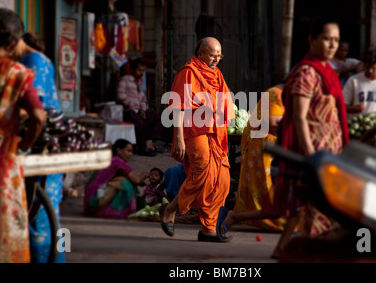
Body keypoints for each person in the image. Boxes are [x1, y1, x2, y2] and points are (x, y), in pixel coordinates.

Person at [218, 18, 350, 258]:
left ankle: (280, 246)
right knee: (299, 205)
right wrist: (311, 155)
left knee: (293, 207)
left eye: (336, 40)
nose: (332, 45)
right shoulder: (306, 73)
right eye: (326, 39)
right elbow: (297, 118)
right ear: (311, 40)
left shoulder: (327, 73)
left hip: (327, 152)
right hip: (311, 152)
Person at [159, 37, 235, 242]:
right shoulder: (188, 73)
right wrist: (179, 139)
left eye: (219, 55)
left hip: (215, 133)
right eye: (212, 55)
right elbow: (178, 107)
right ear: (200, 53)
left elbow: (225, 102)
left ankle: (208, 229)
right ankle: (171, 210)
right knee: (202, 174)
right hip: (194, 131)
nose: (216, 59)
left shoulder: (217, 74)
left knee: (222, 180)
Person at [0, 8, 46, 263]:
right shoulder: (16, 73)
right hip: (1, 165)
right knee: (4, 236)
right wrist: (24, 145)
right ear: (13, 43)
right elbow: (38, 116)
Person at [13, 32, 65, 263]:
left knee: (41, 228)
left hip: (41, 150)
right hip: (33, 147)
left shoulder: (35, 62)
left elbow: (34, 112)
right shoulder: (25, 62)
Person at [231, 84, 287, 232]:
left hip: (277, 144)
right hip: (264, 143)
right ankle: (238, 216)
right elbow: (273, 124)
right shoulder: (275, 94)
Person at [84, 139, 150, 219]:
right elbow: (136, 180)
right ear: (118, 150)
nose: (130, 154)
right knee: (125, 183)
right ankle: (116, 210)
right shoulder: (117, 162)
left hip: (91, 196)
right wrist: (144, 175)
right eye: (128, 151)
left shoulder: (110, 159)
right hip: (97, 197)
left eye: (131, 152)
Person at [117, 58, 162, 156]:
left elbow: (143, 99)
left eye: (143, 71)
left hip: (138, 111)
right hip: (129, 110)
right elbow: (120, 94)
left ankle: (149, 141)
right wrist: (131, 104)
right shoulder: (126, 79)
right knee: (139, 123)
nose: (141, 73)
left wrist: (142, 109)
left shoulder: (138, 83)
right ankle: (143, 148)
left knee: (155, 117)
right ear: (132, 70)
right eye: (139, 70)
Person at [342, 48, 376, 116]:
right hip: (359, 124)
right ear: (364, 64)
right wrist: (354, 109)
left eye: (373, 68)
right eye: (367, 67)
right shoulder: (353, 80)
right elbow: (342, 105)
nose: (370, 70)